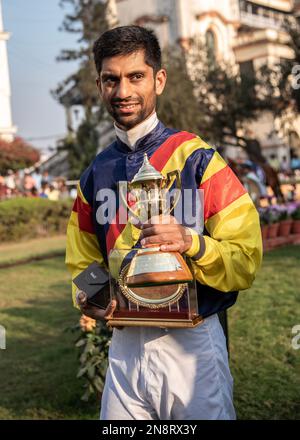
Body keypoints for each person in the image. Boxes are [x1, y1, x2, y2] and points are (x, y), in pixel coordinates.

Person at [65, 26, 262, 420]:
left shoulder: (200, 159)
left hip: (194, 343)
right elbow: (81, 261)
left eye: (135, 76)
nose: (123, 92)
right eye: (111, 79)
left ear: (159, 79)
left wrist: (192, 243)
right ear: (101, 85)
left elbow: (245, 258)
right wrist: (100, 299)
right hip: (124, 346)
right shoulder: (95, 172)